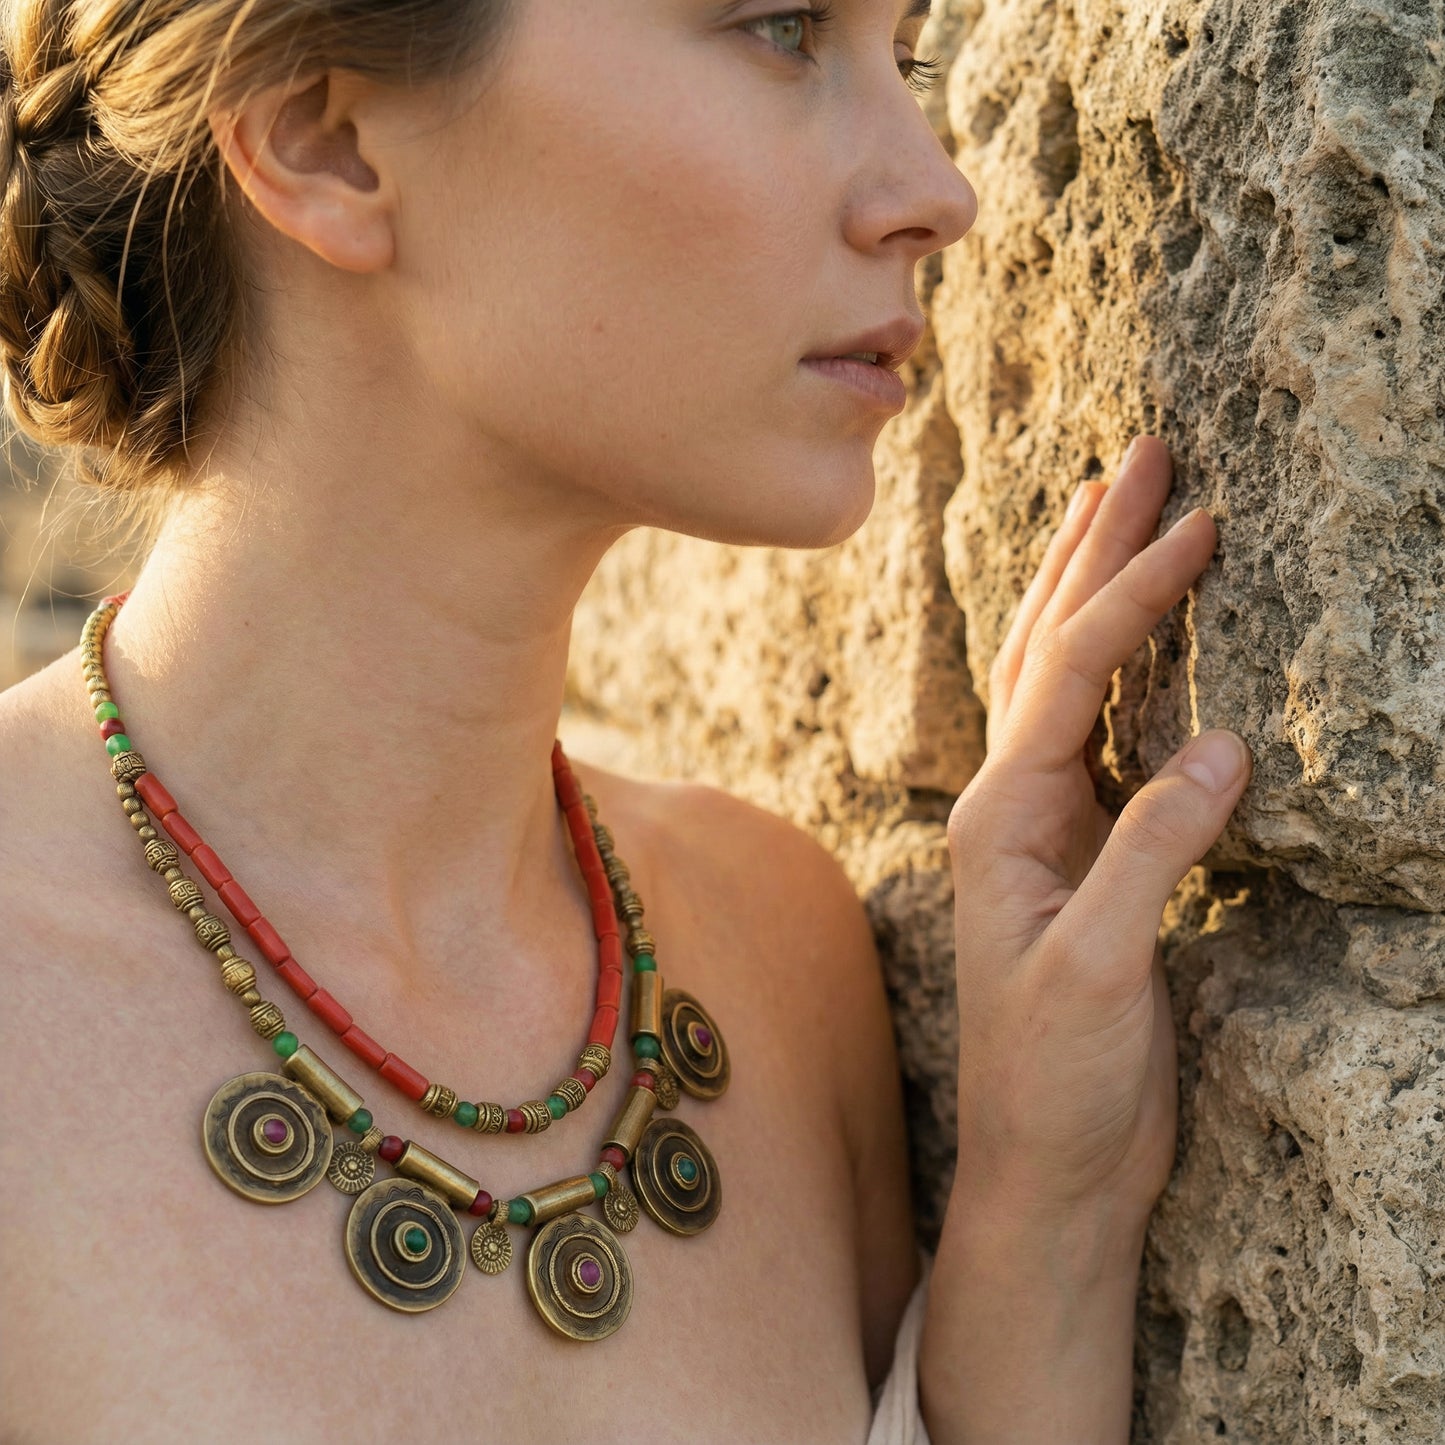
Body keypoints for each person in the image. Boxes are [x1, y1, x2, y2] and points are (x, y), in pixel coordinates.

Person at [0, 2, 1253, 1441]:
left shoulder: (775, 952)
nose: (935, 191)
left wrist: (1054, 1210)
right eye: (781, 29)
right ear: (326, 141)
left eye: (902, 54)